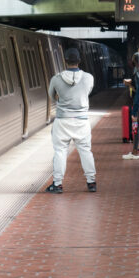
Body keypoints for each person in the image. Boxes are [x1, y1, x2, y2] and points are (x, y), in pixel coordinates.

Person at [46, 47, 97, 193]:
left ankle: (57, 184)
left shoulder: (56, 79)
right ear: (79, 61)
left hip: (62, 121)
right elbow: (88, 92)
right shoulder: (89, 77)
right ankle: (91, 182)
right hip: (82, 120)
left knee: (60, 152)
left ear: (65, 61)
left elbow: (51, 95)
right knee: (86, 151)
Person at [122, 51, 139, 160]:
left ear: (135, 61)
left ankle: (136, 153)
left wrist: (129, 84)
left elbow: (138, 91)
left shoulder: (137, 73)